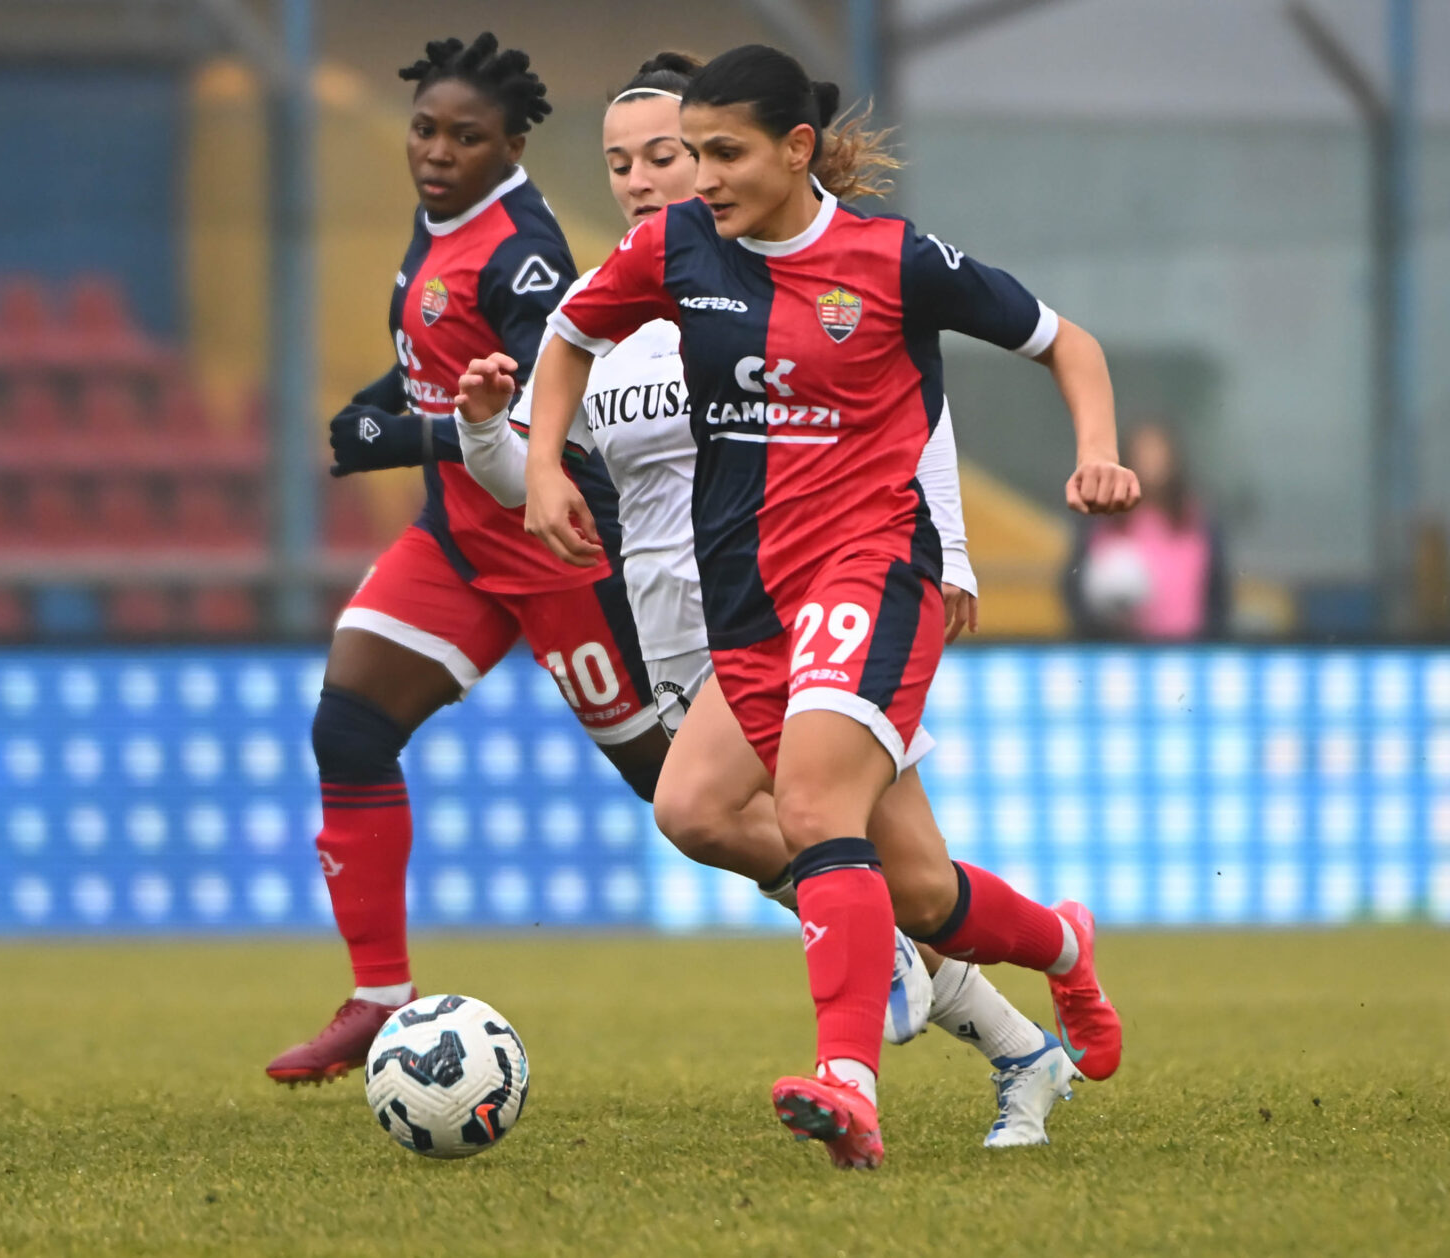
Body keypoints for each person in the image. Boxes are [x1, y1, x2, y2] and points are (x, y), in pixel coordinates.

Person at [515, 44, 1138, 1169]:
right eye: (689, 153)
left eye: (722, 153)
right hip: (747, 597)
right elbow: (568, 335)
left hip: (870, 571)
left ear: (797, 148)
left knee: (810, 806)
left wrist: (1096, 450)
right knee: (887, 876)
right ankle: (1060, 946)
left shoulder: (892, 260)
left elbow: (1067, 343)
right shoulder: (675, 250)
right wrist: (547, 464)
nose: (700, 177)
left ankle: (848, 1081)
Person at [264, 33, 668, 1087]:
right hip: (457, 538)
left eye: (465, 137)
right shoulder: (440, 215)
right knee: (349, 727)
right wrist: (382, 400)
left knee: (682, 797)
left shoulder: (523, 251)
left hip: (555, 547)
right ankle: (378, 998)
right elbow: (444, 356)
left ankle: (877, 919)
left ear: (512, 146)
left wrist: (405, 435)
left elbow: (537, 406)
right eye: (424, 130)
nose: (437, 152)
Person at [1063, 421, 1230, 640]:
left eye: (1158, 453)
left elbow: (1218, 592)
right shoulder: (1102, 518)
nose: (1151, 462)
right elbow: (1075, 587)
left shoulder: (1198, 518)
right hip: (1120, 646)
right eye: (1143, 454)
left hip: (1187, 646)